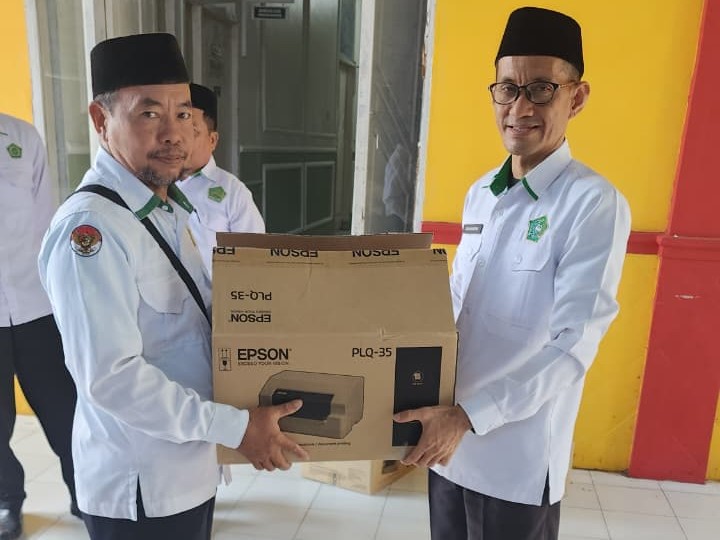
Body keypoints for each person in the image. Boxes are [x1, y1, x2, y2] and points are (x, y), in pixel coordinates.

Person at [37, 33, 307, 540]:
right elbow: (111, 377)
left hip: (189, 467)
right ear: (100, 120)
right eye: (149, 113)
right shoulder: (92, 229)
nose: (173, 133)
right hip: (141, 487)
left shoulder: (163, 208)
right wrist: (235, 428)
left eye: (183, 114)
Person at [393, 7, 631, 540]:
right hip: (447, 445)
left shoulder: (592, 203)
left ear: (577, 97)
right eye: (507, 89)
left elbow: (572, 347)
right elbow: (455, 306)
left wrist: (468, 416)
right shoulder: (481, 193)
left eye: (541, 89)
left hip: (515, 460)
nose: (519, 108)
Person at [0, 112, 78, 540]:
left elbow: (46, 221)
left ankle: (85, 492)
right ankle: (6, 501)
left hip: (36, 304)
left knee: (66, 409)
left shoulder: (22, 136)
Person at [177, 83, 264, 275]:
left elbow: (255, 262)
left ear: (212, 140)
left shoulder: (233, 192)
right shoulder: (153, 184)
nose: (179, 140)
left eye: (192, 132)